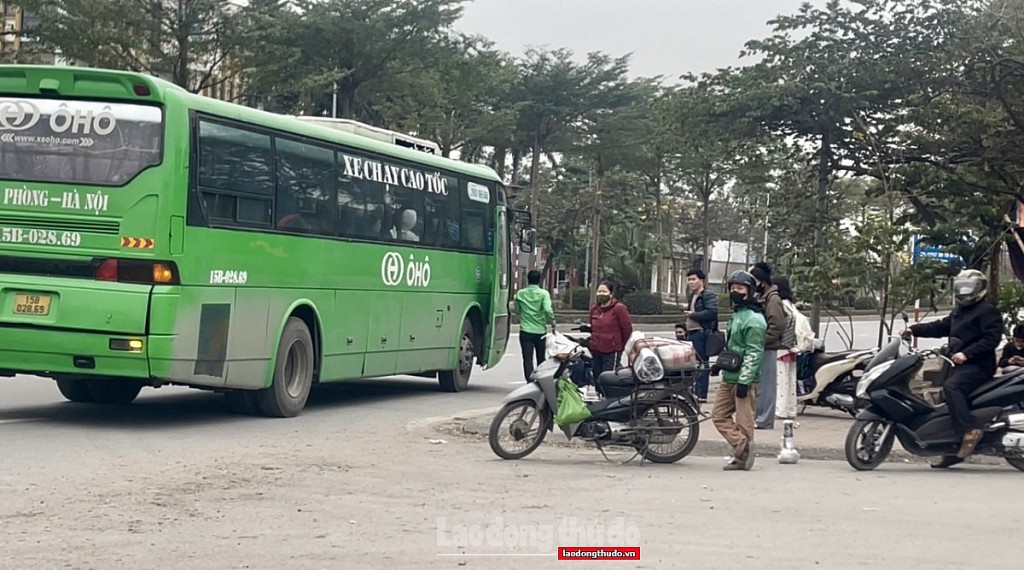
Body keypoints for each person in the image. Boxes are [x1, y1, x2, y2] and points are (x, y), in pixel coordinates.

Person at [902, 269, 1003, 468]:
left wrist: (967, 354)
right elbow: (941, 327)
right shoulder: (959, 311)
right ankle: (952, 449)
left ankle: (969, 430)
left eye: (968, 288)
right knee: (944, 401)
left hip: (978, 365)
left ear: (979, 289)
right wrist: (913, 330)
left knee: (952, 387)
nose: (964, 292)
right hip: (957, 364)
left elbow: (992, 338)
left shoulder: (987, 310)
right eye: (961, 288)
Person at [712, 270, 767, 471]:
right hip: (729, 376)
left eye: (740, 288)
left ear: (749, 291)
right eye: (732, 288)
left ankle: (742, 458)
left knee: (745, 421)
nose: (735, 292)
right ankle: (743, 446)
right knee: (718, 415)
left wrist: (745, 380)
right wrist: (720, 364)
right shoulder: (736, 316)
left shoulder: (754, 320)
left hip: (745, 379)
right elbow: (733, 347)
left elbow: (754, 353)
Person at [748, 262, 786, 430]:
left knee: (767, 385)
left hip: (767, 347)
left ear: (761, 282)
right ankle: (759, 416)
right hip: (760, 346)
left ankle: (764, 419)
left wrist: (761, 340)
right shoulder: (763, 297)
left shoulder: (773, 299)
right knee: (759, 384)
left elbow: (777, 325)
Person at [682, 269, 718, 403]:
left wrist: (693, 315)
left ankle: (701, 394)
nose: (691, 282)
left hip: (701, 333)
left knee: (702, 364)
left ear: (701, 281)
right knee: (694, 364)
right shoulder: (693, 295)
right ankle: (695, 392)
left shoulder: (707, 295)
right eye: (689, 280)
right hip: (692, 333)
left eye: (693, 279)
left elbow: (712, 313)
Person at [512, 270, 555, 382]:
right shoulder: (544, 294)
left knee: (527, 358)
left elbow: (517, 311)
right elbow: (547, 310)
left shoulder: (520, 294)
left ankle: (530, 381)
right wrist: (552, 322)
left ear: (528, 279)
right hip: (540, 331)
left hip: (525, 330)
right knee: (541, 358)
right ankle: (541, 380)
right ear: (539, 280)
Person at [588, 281, 633, 377]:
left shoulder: (619, 308)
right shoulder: (594, 310)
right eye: (599, 291)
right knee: (597, 376)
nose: (601, 294)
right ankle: (599, 392)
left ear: (611, 294)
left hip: (612, 350)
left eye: (604, 292)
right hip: (596, 349)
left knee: (608, 377)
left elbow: (627, 329)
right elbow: (592, 327)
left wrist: (620, 345)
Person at [773, 275, 799, 420]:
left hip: (781, 346)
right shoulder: (790, 303)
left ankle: (780, 410)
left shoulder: (780, 304)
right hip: (791, 346)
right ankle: (791, 409)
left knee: (780, 381)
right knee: (790, 380)